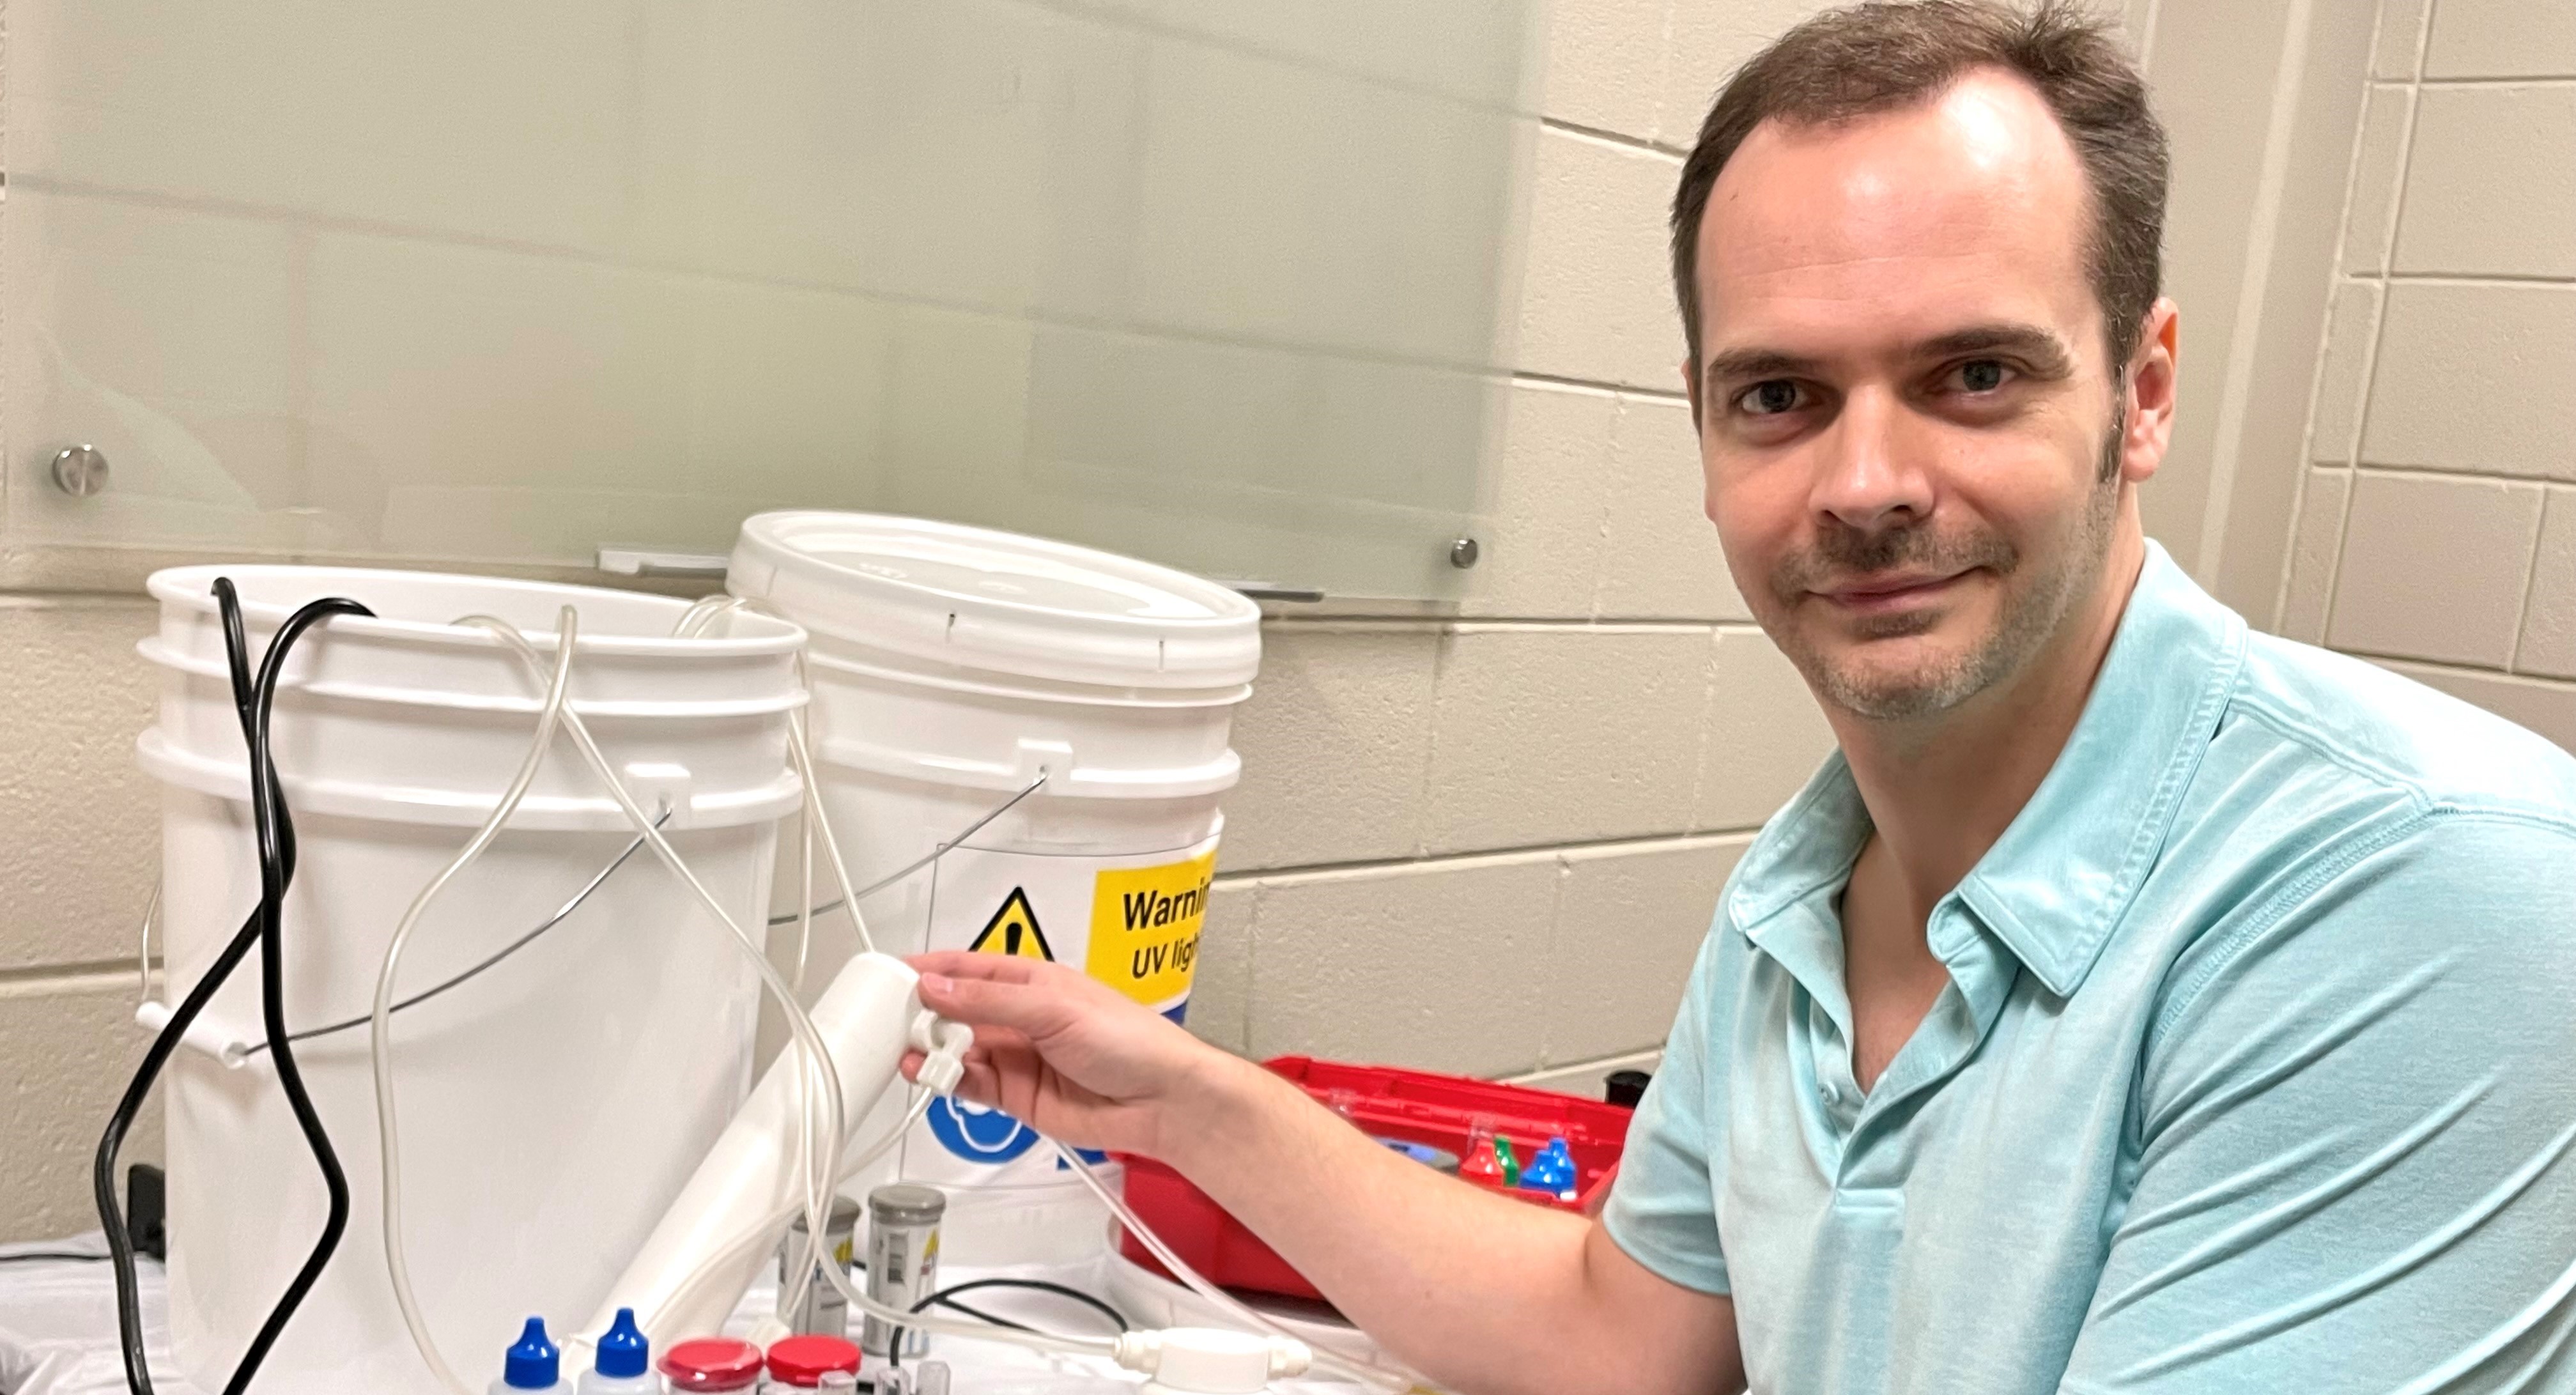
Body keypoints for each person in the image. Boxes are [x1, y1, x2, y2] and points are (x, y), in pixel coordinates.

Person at [900, 3, 2576, 1389]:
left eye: (1972, 375)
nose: (1863, 483)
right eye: (1779, 393)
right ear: (1704, 426)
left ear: (2142, 394)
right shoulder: (1807, 893)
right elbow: (1627, 1336)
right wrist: (1186, 1105)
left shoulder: (2427, 893)